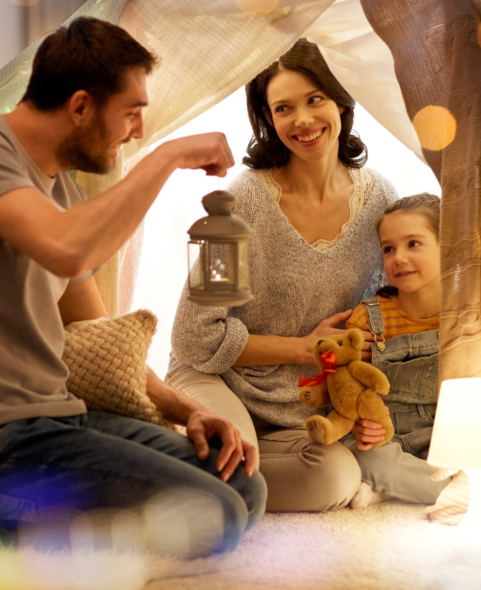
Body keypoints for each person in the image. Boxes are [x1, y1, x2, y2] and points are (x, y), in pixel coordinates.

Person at [0, 18, 266, 557]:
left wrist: (187, 411)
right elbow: (66, 248)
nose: (137, 130)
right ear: (80, 107)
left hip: (53, 420)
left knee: (241, 486)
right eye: (131, 113)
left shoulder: (58, 189)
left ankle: (28, 526)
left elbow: (94, 329)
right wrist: (169, 156)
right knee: (214, 517)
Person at [168, 39, 398, 512]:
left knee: (335, 478)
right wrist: (302, 349)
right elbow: (195, 336)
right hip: (217, 377)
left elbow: (384, 311)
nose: (303, 120)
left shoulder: (380, 202)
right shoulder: (241, 203)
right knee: (235, 450)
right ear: (269, 120)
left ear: (341, 101)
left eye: (315, 100)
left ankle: (199, 466)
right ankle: (194, 457)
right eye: (283, 108)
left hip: (304, 404)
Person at [344, 193, 452, 508]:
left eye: (413, 244)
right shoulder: (368, 316)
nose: (398, 258)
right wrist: (360, 423)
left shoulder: (464, 314)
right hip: (385, 434)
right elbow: (346, 387)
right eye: (388, 249)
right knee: (364, 457)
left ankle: (390, 488)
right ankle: (438, 489)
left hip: (444, 429)